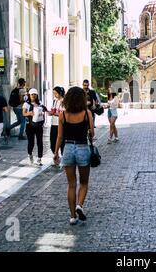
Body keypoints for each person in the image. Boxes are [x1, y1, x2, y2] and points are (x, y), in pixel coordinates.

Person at [53, 87, 94, 225]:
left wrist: (55, 153)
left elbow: (59, 136)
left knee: (71, 184)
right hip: (82, 147)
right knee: (83, 182)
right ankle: (79, 206)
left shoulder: (62, 115)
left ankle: (72, 216)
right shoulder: (86, 113)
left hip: (68, 148)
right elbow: (92, 134)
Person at [23, 88, 47, 166]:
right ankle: (30, 154)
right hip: (29, 125)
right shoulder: (26, 104)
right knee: (31, 142)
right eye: (32, 94)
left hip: (39, 125)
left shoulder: (40, 103)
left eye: (35, 94)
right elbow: (23, 113)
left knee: (40, 142)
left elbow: (44, 110)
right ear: (29, 95)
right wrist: (29, 113)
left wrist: (42, 113)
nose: (33, 96)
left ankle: (39, 158)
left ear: (37, 95)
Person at [49, 86, 65, 157]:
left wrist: (55, 114)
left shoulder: (64, 102)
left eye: (56, 93)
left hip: (61, 124)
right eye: (54, 93)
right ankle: (56, 155)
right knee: (52, 143)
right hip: (53, 124)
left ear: (60, 93)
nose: (54, 95)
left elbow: (64, 114)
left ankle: (63, 157)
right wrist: (50, 112)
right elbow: (53, 111)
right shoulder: (54, 101)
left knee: (62, 142)